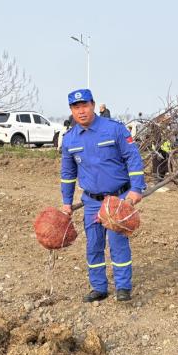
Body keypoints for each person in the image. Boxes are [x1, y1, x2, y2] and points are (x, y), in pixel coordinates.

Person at [60, 88, 145, 303]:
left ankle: (123, 287)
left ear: (93, 105)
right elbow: (68, 174)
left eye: (85, 106)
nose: (81, 111)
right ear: (71, 110)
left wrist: (136, 189)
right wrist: (66, 202)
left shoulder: (114, 129)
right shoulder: (69, 139)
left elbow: (133, 158)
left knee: (118, 244)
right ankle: (99, 287)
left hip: (117, 199)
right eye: (76, 108)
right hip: (91, 202)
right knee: (94, 245)